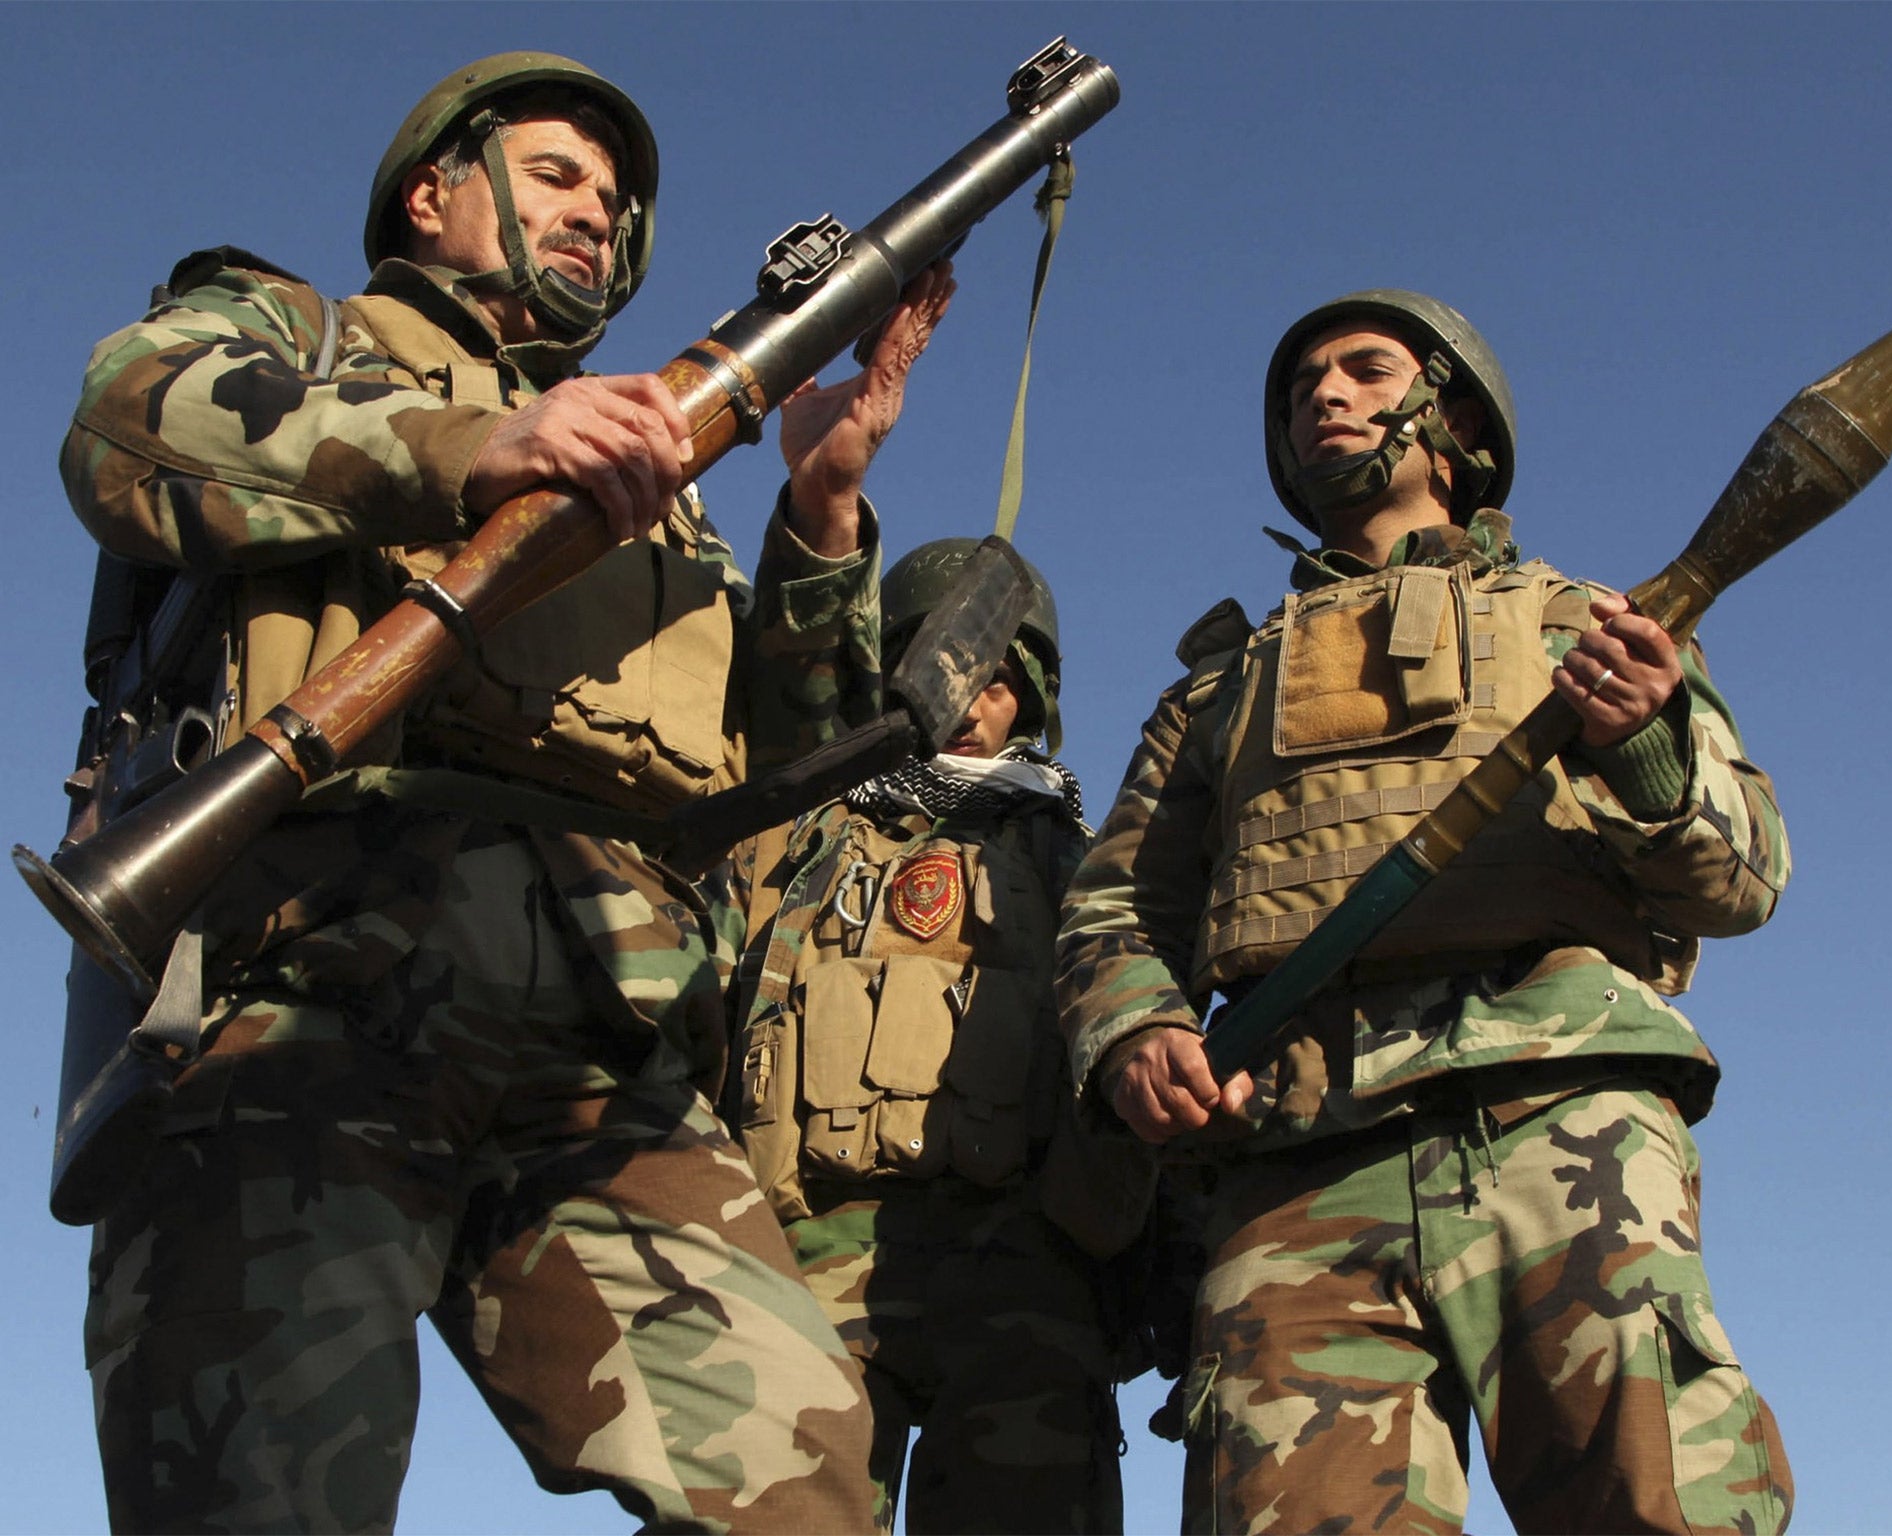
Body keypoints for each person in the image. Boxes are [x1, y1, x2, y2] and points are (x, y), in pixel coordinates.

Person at [61, 50, 954, 1533]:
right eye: (557, 176)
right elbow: (129, 421)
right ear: (435, 190)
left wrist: (820, 505)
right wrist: (470, 449)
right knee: (260, 1494)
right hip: (316, 985)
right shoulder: (303, 330)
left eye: (616, 204)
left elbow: (775, 767)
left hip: (614, 1048)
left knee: (807, 1489)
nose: (597, 217)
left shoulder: (657, 467)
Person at [1055, 290, 1795, 1534]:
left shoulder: (1591, 629)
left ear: (1447, 414)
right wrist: (1134, 1033)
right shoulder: (1217, 693)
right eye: (1300, 390)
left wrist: (1646, 748)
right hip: (1296, 1154)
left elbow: (1741, 880)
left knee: (1661, 1505)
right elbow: (1115, 908)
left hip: (1556, 1109)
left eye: (1361, 369)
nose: (1323, 399)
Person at [713, 540, 1128, 1534]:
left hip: (1020, 1261)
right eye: (940, 665)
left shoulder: (1081, 860)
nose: (967, 696)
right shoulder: (790, 836)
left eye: (993, 676)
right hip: (800, 1246)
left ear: (1026, 698)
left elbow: (1130, 1020)